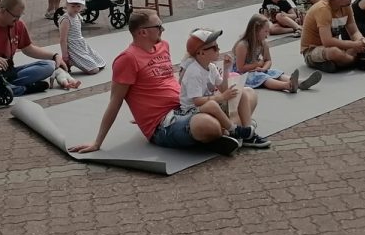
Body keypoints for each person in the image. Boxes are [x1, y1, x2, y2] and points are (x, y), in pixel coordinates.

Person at [68, 11, 243, 156]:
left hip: (183, 107)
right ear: (143, 32)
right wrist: (97, 142)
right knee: (208, 125)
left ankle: (218, 134)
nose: (163, 29)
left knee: (246, 95)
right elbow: (115, 101)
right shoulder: (127, 59)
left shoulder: (163, 46)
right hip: (161, 124)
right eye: (158, 26)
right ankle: (217, 133)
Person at [177, 29, 270, 148]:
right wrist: (221, 97)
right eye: (214, 48)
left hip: (209, 103)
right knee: (212, 105)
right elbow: (196, 101)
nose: (219, 49)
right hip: (192, 110)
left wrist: (226, 69)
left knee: (240, 93)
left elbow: (223, 88)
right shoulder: (194, 72)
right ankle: (233, 130)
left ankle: (247, 133)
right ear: (201, 53)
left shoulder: (211, 67)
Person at [0, 0, 63, 96]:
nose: (17, 20)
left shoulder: (18, 25)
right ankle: (22, 89)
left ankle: (7, 88)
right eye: (15, 16)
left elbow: (28, 48)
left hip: (8, 72)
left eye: (20, 16)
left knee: (48, 66)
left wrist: (54, 56)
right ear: (3, 10)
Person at [299, 0, 365, 72]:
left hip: (335, 47)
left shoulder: (346, 6)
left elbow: (354, 31)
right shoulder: (323, 9)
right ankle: (353, 61)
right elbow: (327, 41)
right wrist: (354, 45)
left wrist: (361, 42)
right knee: (334, 52)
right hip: (313, 50)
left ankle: (340, 62)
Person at [233, 13, 320, 93]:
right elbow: (240, 68)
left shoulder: (263, 42)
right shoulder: (243, 45)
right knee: (263, 78)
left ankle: (300, 82)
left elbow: (268, 60)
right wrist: (258, 64)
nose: (267, 35)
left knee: (274, 72)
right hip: (242, 74)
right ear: (255, 30)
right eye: (265, 31)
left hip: (257, 68)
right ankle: (287, 86)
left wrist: (264, 68)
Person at [58, 0, 106, 75]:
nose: (76, 9)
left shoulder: (77, 15)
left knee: (100, 63)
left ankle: (73, 62)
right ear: (67, 5)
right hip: (73, 47)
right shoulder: (66, 19)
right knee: (94, 70)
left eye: (78, 6)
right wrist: (65, 55)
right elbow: (62, 39)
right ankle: (70, 61)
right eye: (73, 6)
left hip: (81, 45)